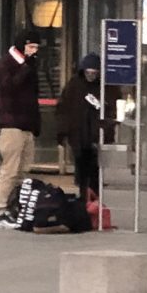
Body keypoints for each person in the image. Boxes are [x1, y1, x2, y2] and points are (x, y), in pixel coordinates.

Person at [0, 29, 42, 225]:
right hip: (11, 124)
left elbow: (32, 97)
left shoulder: (31, 65)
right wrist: (25, 67)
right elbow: (8, 88)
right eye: (31, 46)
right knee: (10, 170)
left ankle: (16, 206)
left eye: (36, 47)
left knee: (23, 170)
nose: (34, 51)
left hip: (27, 124)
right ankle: (2, 209)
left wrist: (36, 124)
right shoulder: (7, 63)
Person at [51, 54, 101, 208]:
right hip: (78, 134)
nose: (91, 76)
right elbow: (63, 109)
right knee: (82, 169)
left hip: (94, 135)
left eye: (94, 73)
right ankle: (85, 199)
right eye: (88, 73)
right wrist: (62, 132)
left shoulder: (101, 87)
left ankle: (92, 200)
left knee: (94, 170)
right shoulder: (74, 86)